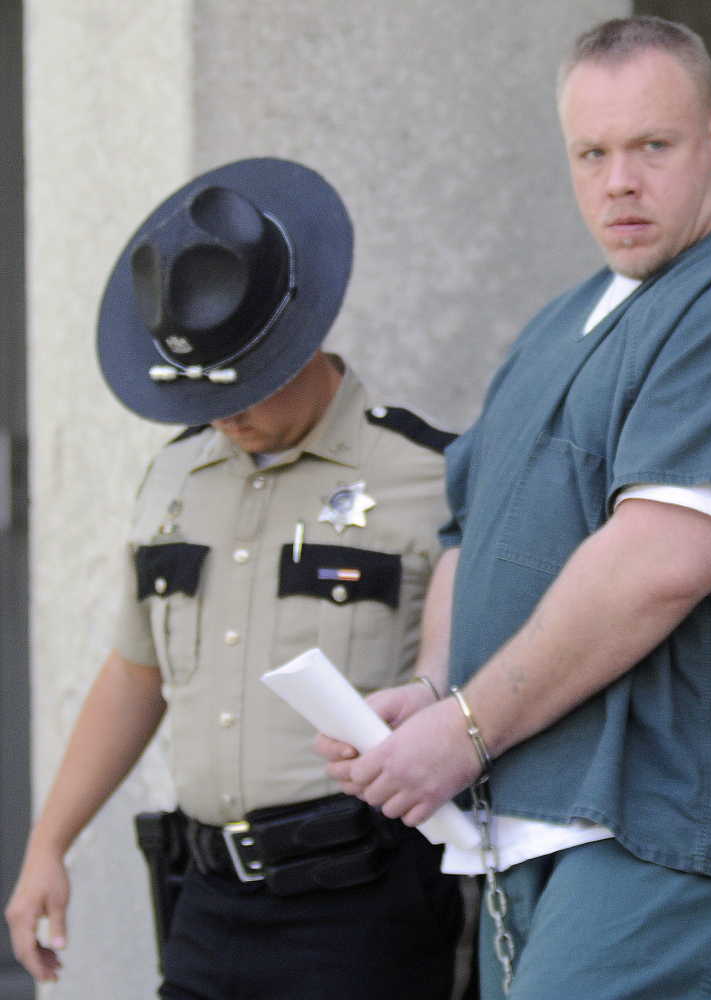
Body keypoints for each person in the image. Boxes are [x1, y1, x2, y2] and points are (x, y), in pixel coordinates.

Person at [317, 17, 711, 1000]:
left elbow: (661, 558)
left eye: (651, 146)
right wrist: (432, 684)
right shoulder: (562, 320)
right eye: (591, 153)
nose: (618, 180)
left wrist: (463, 727)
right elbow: (470, 528)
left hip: (689, 833)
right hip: (543, 826)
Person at [5, 158, 470, 1000]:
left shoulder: (428, 476)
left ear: (300, 333)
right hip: (205, 905)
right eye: (202, 389)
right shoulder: (176, 480)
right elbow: (134, 671)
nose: (224, 412)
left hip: (361, 911)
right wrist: (49, 842)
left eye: (246, 382)